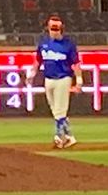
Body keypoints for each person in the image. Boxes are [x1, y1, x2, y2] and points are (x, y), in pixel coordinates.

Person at [29, 15, 83, 147]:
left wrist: (79, 81)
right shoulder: (44, 43)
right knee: (55, 110)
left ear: (61, 29)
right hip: (49, 79)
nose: (54, 31)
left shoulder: (68, 44)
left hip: (63, 78)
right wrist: (32, 73)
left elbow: (76, 64)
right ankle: (70, 136)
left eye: (56, 28)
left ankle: (58, 137)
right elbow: (38, 60)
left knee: (60, 109)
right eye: (52, 28)